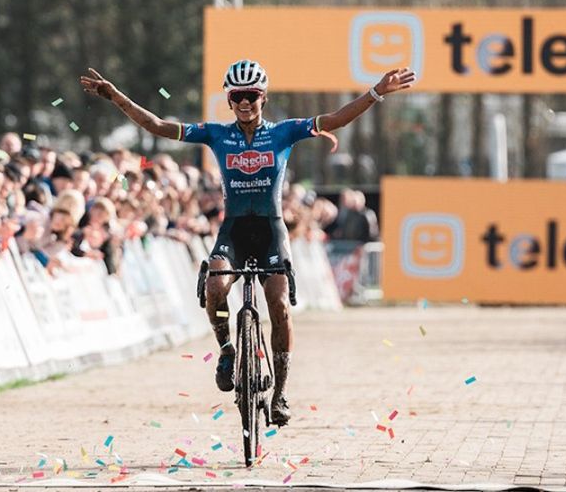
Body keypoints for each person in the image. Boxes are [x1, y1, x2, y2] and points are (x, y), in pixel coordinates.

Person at [81, 60, 416, 426]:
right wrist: (115, 97)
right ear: (229, 100)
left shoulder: (284, 132)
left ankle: (281, 393)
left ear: (263, 98)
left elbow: (334, 119)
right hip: (234, 230)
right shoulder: (215, 134)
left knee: (278, 303)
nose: (245, 102)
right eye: (237, 95)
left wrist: (376, 92)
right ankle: (226, 349)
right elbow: (158, 126)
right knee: (214, 289)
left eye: (251, 95)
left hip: (271, 229)